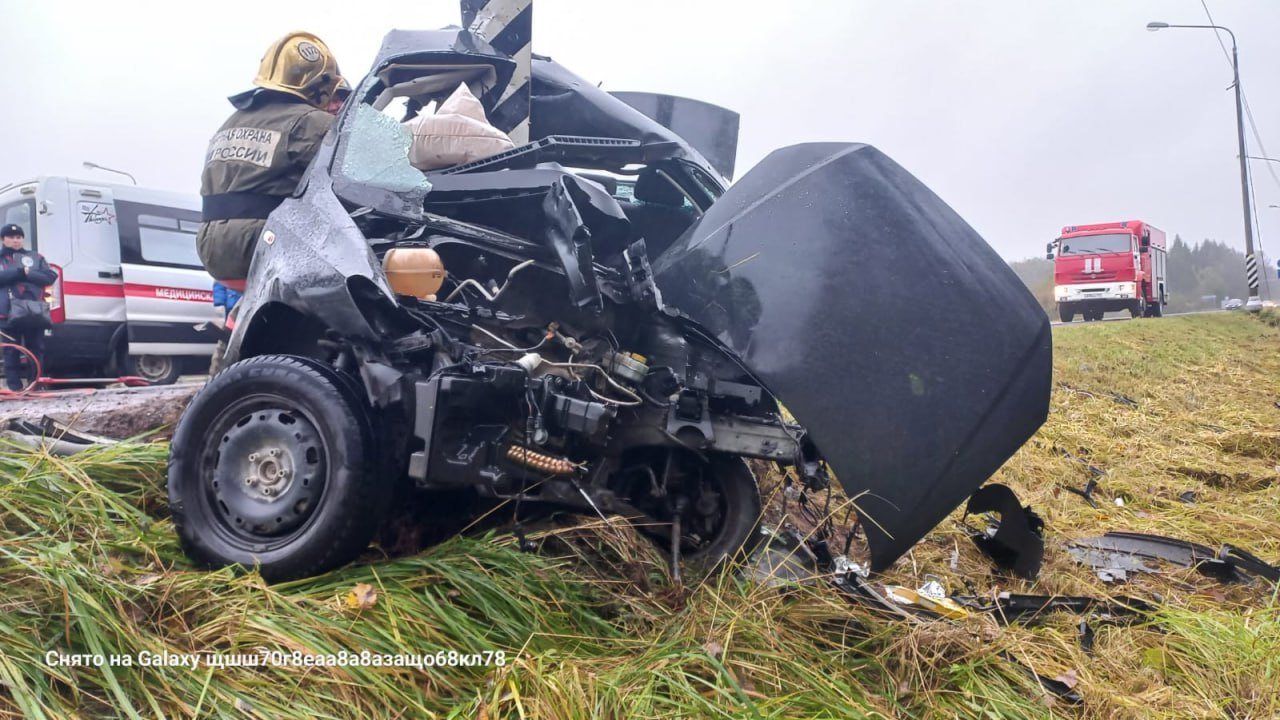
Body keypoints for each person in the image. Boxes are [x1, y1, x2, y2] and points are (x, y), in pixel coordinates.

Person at [196, 31, 346, 292]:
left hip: (211, 246)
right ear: (321, 85)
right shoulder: (310, 121)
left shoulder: (232, 121)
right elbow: (358, 172)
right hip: (262, 243)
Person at [0, 223, 57, 391]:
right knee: (11, 351)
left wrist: (29, 273)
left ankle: (36, 384)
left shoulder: (36, 257)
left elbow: (50, 276)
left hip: (34, 311)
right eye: (11, 237)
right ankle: (15, 388)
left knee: (36, 349)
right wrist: (19, 273)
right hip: (6, 313)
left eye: (19, 237)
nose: (16, 241)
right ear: (3, 240)